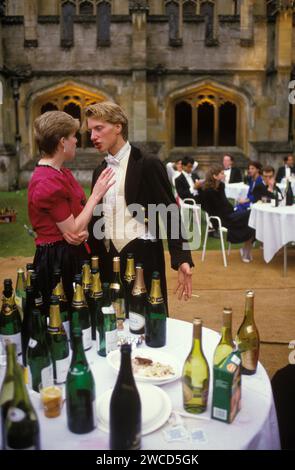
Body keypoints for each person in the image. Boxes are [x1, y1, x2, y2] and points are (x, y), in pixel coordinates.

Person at [85, 102, 193, 312]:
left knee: (147, 324)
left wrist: (181, 258)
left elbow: (169, 211)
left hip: (144, 257)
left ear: (118, 127)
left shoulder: (148, 163)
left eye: (99, 128)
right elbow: (99, 219)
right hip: (108, 260)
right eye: (90, 130)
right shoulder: (99, 171)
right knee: (111, 323)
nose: (92, 137)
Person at [28, 111, 114, 310]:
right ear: (62, 142)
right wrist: (96, 195)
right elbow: (73, 229)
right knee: (68, 319)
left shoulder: (60, 172)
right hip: (58, 261)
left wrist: (80, 231)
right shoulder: (48, 182)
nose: (77, 140)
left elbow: (74, 223)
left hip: (69, 252)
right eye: (73, 136)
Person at [200, 165, 255, 263]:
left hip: (229, 214)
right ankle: (245, 249)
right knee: (251, 215)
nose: (224, 174)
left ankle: (246, 249)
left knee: (252, 217)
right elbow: (209, 208)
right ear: (215, 176)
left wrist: (235, 209)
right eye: (221, 173)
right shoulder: (207, 191)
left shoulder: (221, 186)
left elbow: (224, 202)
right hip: (220, 219)